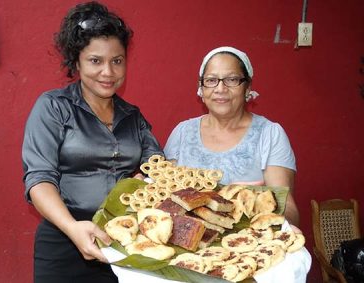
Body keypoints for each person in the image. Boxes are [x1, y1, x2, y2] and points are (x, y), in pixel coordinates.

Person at [21, 2, 163, 282]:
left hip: (122, 240)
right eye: (95, 61)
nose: (108, 72)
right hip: (64, 241)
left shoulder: (133, 117)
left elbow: (157, 168)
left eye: (117, 60)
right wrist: (73, 228)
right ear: (77, 62)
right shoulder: (53, 107)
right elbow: (39, 180)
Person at [164, 46, 300, 228]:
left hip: (248, 248)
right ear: (201, 89)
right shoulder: (182, 133)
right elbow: (163, 194)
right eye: (211, 80)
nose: (220, 88)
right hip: (188, 246)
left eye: (231, 80)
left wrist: (280, 225)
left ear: (247, 87)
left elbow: (287, 207)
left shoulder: (269, 134)